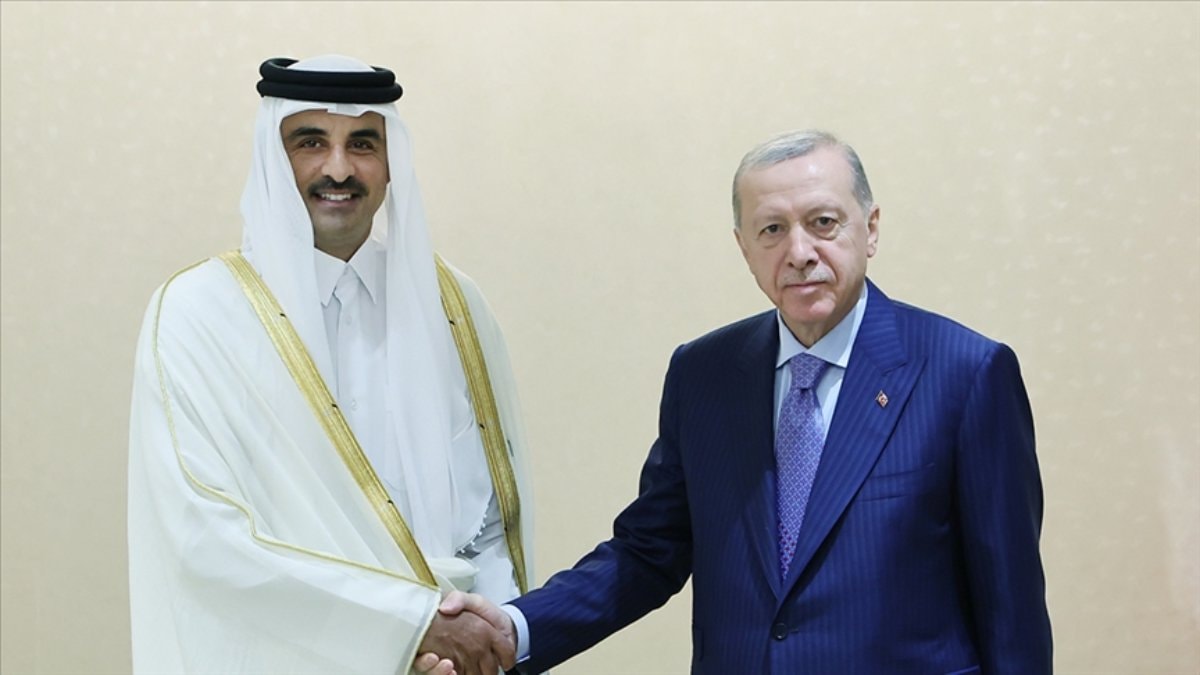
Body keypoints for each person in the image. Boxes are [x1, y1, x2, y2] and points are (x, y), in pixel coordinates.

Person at [434, 130, 1053, 673]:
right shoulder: (704, 374)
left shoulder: (965, 373)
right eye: (772, 230)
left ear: (870, 229)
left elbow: (1011, 608)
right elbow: (648, 553)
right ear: (744, 247)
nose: (800, 252)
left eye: (824, 222)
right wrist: (515, 629)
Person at [127, 55, 528, 675]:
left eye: (362, 143)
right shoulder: (199, 314)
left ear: (392, 163)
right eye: (310, 142)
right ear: (272, 156)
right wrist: (407, 629)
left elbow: (490, 521)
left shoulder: (454, 305)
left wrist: (479, 642)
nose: (338, 168)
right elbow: (206, 537)